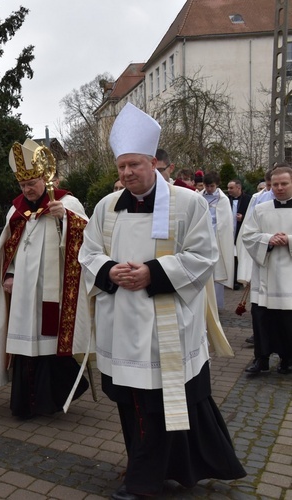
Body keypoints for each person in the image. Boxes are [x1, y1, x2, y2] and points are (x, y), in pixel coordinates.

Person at [78, 103, 245, 499]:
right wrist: (109, 270)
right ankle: (147, 467)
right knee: (130, 404)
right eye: (121, 167)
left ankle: (143, 481)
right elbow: (88, 252)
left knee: (157, 405)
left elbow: (203, 255)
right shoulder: (106, 206)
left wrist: (152, 272)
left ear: (154, 162)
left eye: (134, 165)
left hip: (165, 324)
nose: (126, 173)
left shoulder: (186, 203)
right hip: (121, 321)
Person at [0, 139, 90, 418]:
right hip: (22, 290)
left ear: (45, 178)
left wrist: (66, 218)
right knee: (24, 343)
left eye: (31, 183)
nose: (27, 190)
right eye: (22, 185)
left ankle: (51, 399)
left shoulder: (67, 202)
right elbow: (9, 248)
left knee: (49, 341)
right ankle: (25, 402)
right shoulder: (16, 210)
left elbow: (90, 239)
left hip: (51, 290)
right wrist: (8, 274)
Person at [242, 165, 292, 375]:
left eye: (284, 184)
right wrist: (268, 239)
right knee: (262, 318)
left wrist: (288, 240)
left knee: (287, 322)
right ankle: (261, 359)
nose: (279, 188)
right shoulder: (260, 209)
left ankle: (287, 360)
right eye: (275, 184)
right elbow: (248, 235)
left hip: (288, 277)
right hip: (265, 273)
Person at [199, 171, 234, 308]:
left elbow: (226, 223)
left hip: (217, 238)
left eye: (211, 186)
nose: (208, 189)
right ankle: (202, 303)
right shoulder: (198, 196)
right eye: (206, 186)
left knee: (217, 271)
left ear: (217, 185)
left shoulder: (223, 200)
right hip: (202, 238)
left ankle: (216, 305)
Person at [227, 178, 252, 289]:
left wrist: (243, 217)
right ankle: (230, 279)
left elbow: (252, 214)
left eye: (231, 188)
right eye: (228, 188)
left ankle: (239, 279)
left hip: (241, 231)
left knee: (239, 255)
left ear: (239, 188)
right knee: (230, 255)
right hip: (229, 231)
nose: (229, 190)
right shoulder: (226, 200)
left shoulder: (248, 199)